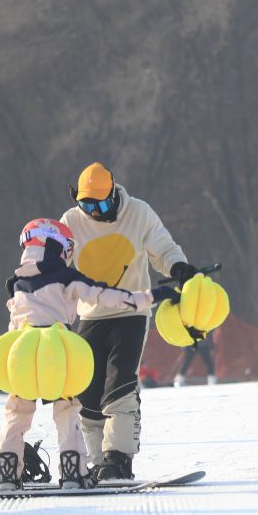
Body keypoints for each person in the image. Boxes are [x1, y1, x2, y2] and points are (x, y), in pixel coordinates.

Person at [0, 218, 179, 489]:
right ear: (56, 246)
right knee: (67, 409)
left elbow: (12, 326)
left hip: (22, 351)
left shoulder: (17, 283)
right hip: (56, 350)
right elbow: (107, 296)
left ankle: (7, 471)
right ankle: (73, 472)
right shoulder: (67, 278)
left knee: (17, 411)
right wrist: (151, 295)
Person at [61, 162, 196, 480]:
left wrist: (178, 268)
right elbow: (55, 262)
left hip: (132, 312)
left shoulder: (138, 213)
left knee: (119, 382)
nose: (95, 212)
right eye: (86, 205)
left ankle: (119, 458)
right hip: (91, 314)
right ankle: (99, 461)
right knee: (88, 392)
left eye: (102, 204)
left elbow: (163, 247)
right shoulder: (70, 222)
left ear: (114, 194)